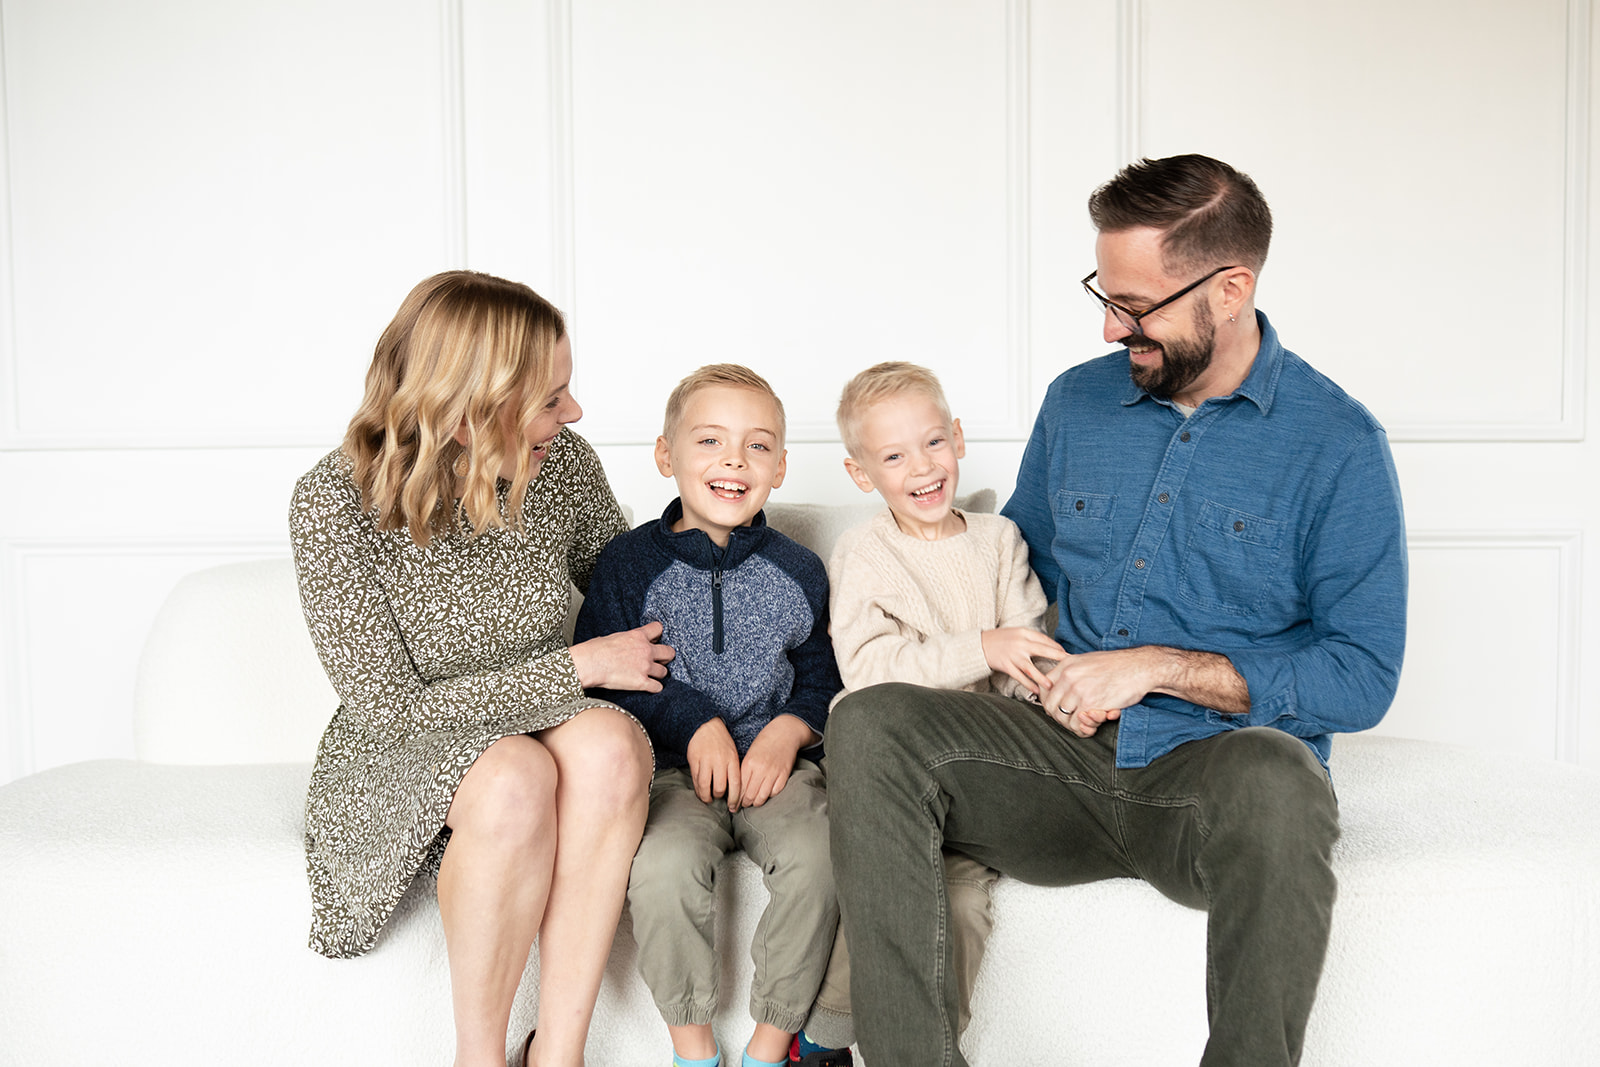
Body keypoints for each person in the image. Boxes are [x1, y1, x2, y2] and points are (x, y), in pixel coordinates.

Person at [825, 154, 1408, 1067]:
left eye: (1137, 306)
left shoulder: (1337, 444)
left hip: (1209, 784)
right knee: (870, 723)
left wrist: (1160, 666)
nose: (1110, 324)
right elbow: (1008, 569)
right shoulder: (1079, 402)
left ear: (1231, 288)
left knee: (1280, 776)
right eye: (1106, 292)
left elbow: (1362, 675)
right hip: (1056, 760)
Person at [289, 270, 673, 1067]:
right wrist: (575, 667)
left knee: (608, 748)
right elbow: (389, 708)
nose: (572, 414)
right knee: (512, 774)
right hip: (403, 749)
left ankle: (557, 1053)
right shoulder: (331, 501)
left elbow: (627, 587)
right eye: (550, 398)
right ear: (469, 408)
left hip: (544, 715)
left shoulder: (562, 465)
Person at [573, 364, 849, 1067]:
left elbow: (820, 673)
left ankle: (768, 1046)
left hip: (778, 771)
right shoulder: (627, 564)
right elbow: (608, 679)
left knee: (821, 858)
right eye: (709, 441)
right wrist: (694, 720)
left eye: (758, 446)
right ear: (667, 456)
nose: (734, 460)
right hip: (670, 776)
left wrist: (790, 731)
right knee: (663, 867)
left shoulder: (801, 568)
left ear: (780, 467)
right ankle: (693, 1051)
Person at [803, 360, 1066, 1047]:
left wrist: (1044, 686)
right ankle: (826, 1040)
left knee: (959, 906)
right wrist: (981, 647)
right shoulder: (862, 553)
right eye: (893, 455)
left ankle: (933, 1050)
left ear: (956, 437)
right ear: (862, 474)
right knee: (890, 890)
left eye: (932, 442)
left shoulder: (998, 540)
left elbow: (1026, 653)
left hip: (979, 768)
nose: (922, 466)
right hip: (889, 770)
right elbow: (871, 672)